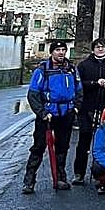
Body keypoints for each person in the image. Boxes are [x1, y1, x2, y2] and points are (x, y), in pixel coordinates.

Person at [22, 39, 83, 194]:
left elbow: (79, 91)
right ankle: (29, 181)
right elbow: (33, 94)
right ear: (52, 52)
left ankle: (61, 178)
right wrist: (42, 113)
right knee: (39, 147)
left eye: (63, 50)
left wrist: (75, 108)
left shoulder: (71, 69)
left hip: (66, 113)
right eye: (58, 50)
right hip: (47, 115)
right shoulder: (42, 70)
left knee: (62, 147)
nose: (61, 53)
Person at [73, 38, 105, 185]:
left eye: (103, 47)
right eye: (97, 47)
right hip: (87, 108)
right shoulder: (84, 65)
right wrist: (95, 83)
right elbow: (78, 84)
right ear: (93, 49)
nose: (100, 49)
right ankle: (79, 173)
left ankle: (102, 174)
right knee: (84, 141)